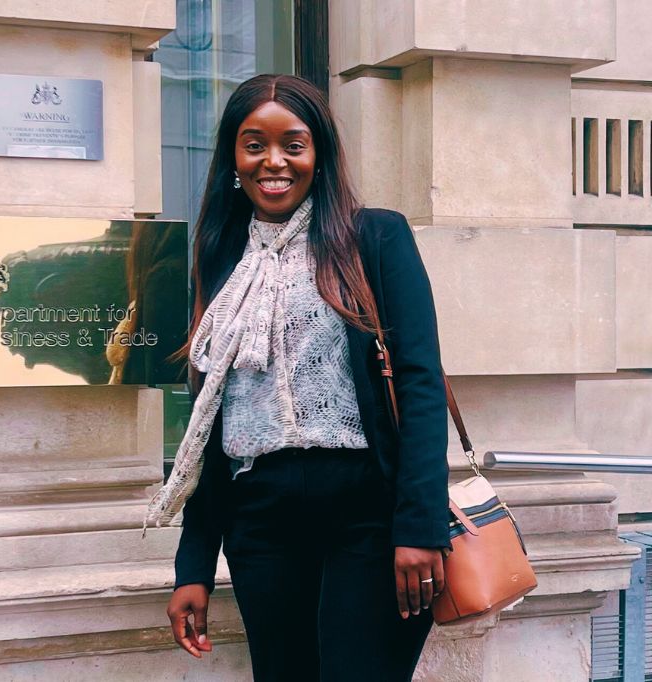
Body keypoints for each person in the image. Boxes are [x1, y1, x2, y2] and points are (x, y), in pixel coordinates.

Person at [144, 74, 451, 681]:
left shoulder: (374, 237)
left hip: (368, 514)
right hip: (261, 519)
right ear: (234, 157)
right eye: (254, 143)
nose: (274, 161)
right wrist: (194, 566)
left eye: (294, 143)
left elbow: (420, 383)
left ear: (320, 155)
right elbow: (207, 417)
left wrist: (420, 526)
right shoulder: (219, 256)